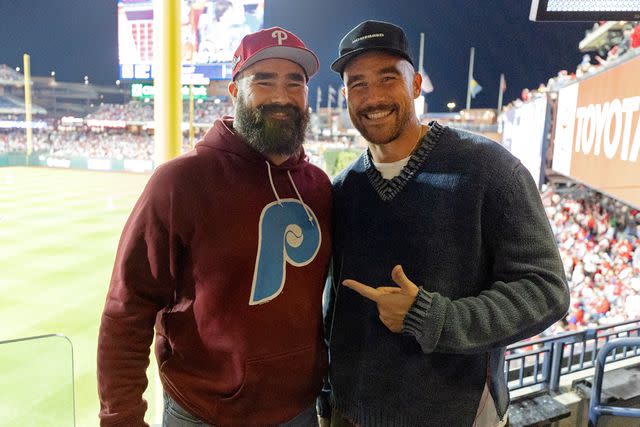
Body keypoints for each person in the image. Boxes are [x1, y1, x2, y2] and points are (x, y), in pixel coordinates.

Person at [323, 20, 570, 427]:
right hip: (350, 414)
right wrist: (329, 397)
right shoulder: (343, 188)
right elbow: (336, 308)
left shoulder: (491, 170)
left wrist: (430, 317)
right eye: (358, 84)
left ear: (416, 84)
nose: (373, 97)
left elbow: (546, 291)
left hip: (454, 414)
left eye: (388, 78)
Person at [97, 27, 332, 427]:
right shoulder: (179, 182)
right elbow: (127, 310)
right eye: (263, 80)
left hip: (299, 412)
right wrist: (121, 416)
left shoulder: (318, 187)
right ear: (234, 91)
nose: (281, 96)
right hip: (203, 413)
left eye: (296, 82)